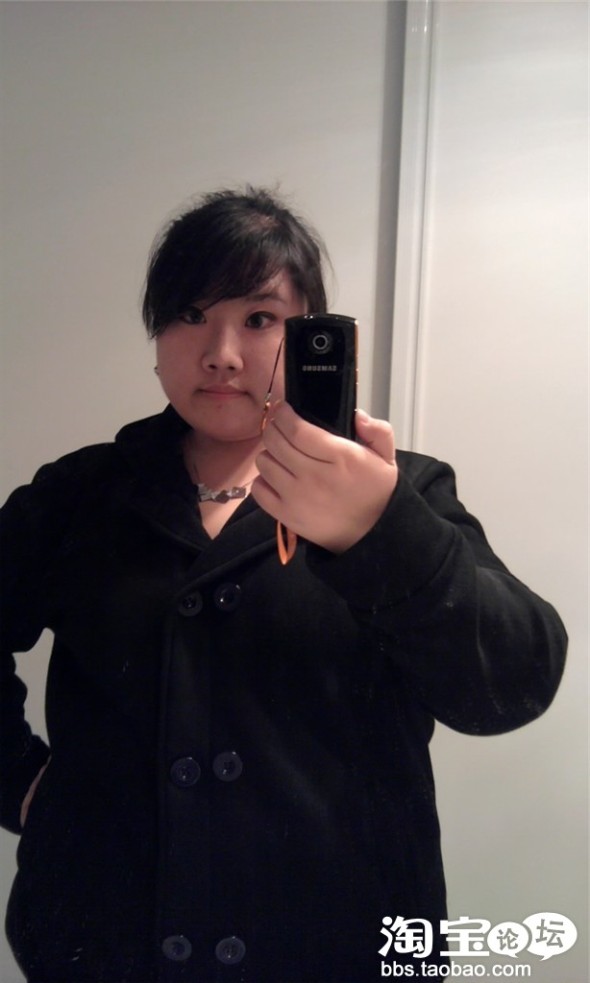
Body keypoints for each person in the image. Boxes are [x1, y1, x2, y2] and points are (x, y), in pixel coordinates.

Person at [0, 187, 566, 983]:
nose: (221, 352)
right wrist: (22, 783)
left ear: (305, 336)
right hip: (104, 945)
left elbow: (513, 683)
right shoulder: (80, 494)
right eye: (190, 314)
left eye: (260, 318)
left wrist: (380, 529)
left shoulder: (402, 491)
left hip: (340, 943)